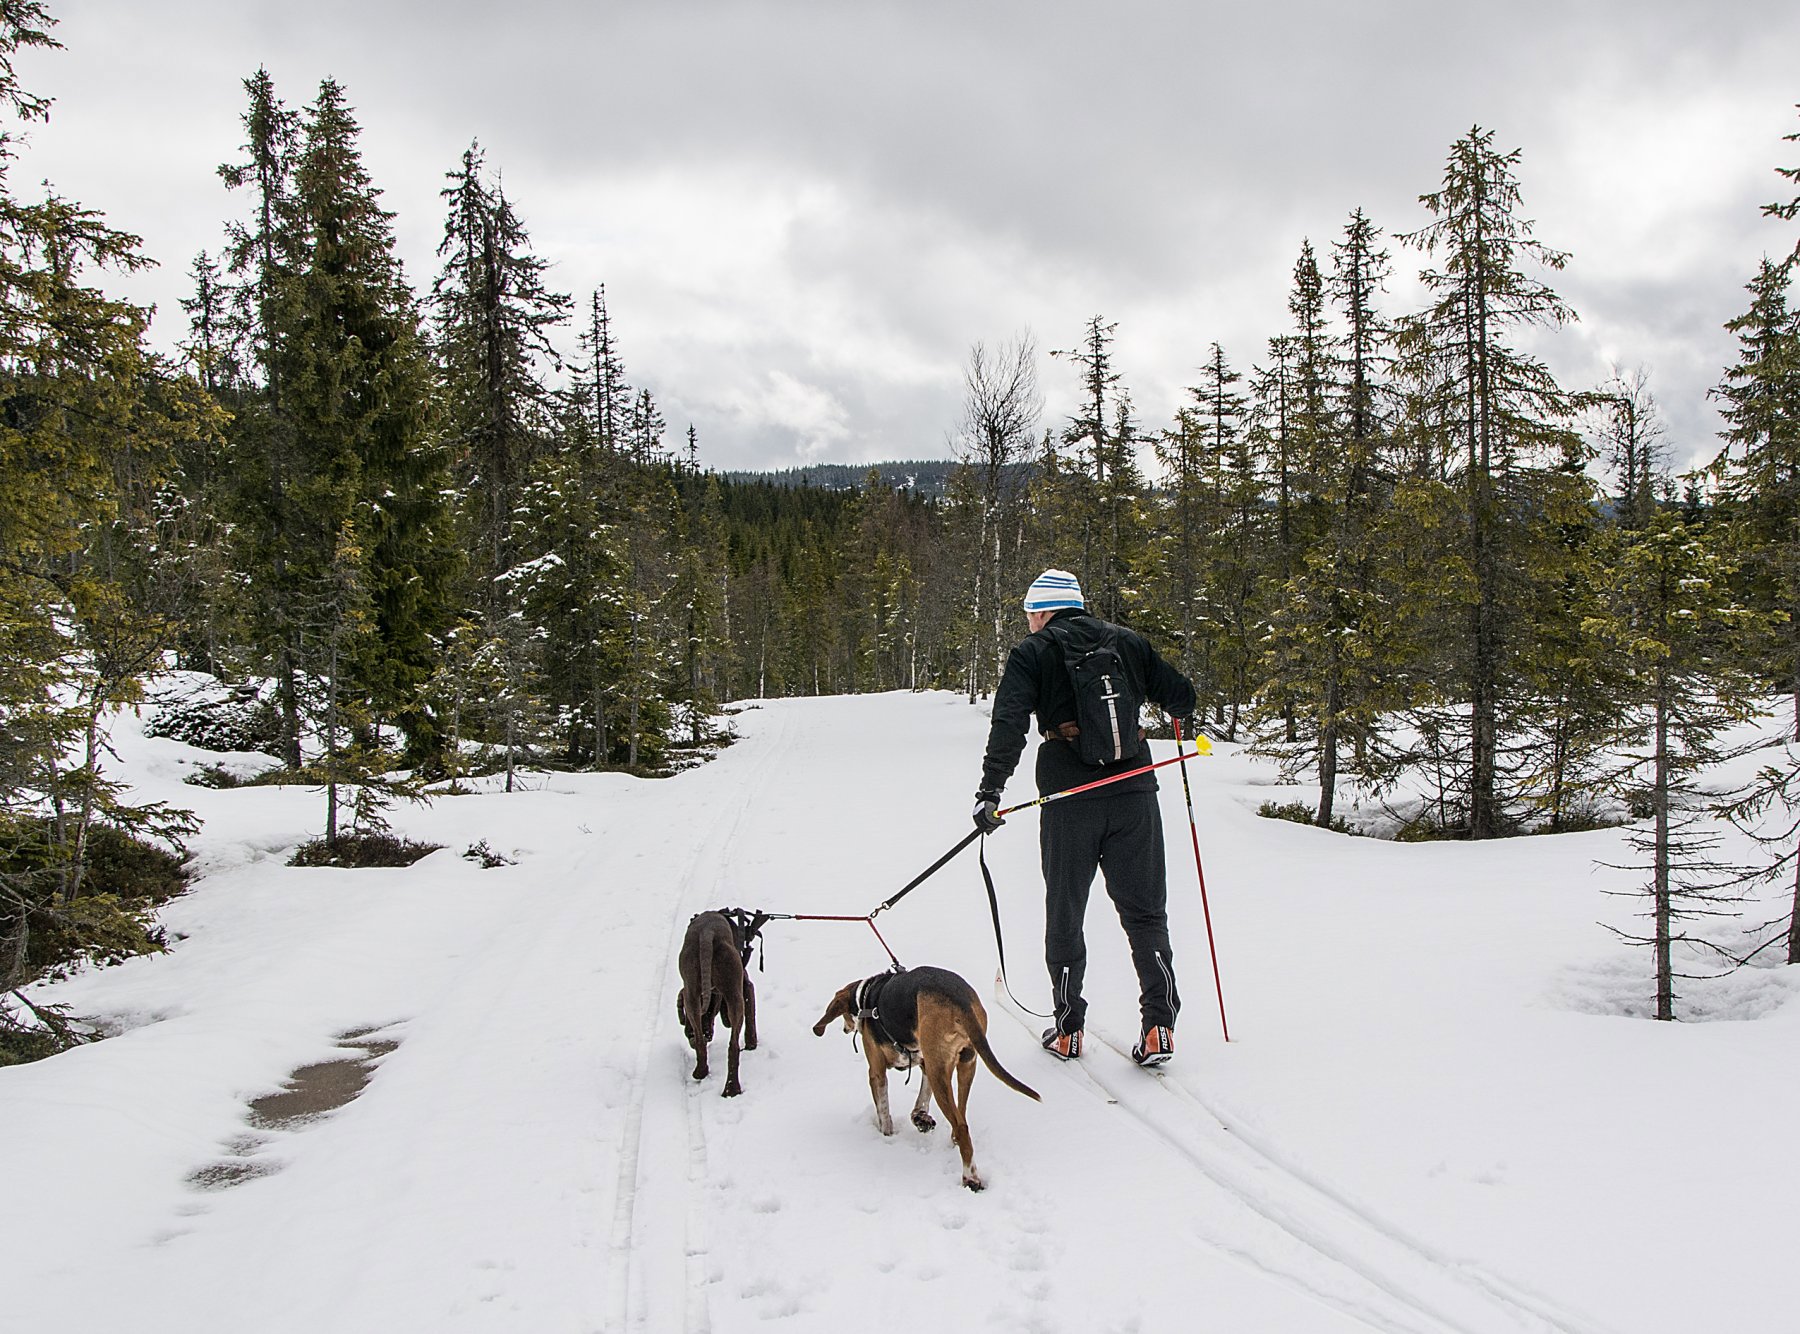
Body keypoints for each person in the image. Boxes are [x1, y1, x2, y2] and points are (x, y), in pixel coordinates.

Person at [972, 569, 1197, 1067]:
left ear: (1042, 611)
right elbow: (1183, 698)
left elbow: (1008, 723)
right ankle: (1159, 1025)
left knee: (1066, 910)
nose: (1029, 623)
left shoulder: (1032, 652)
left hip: (1068, 797)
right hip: (1135, 790)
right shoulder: (1128, 642)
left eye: (1030, 614)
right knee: (1144, 912)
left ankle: (1069, 1029)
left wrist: (990, 790)